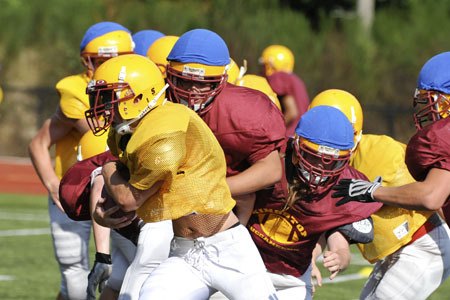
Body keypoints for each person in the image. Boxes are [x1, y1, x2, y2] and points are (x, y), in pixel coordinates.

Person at [85, 53, 277, 299]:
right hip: (185, 252)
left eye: (110, 97)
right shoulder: (132, 131)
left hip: (227, 248)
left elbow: (128, 198)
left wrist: (108, 167)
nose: (104, 106)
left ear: (139, 95)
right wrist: (104, 214)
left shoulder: (165, 129)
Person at [28, 21, 134, 300]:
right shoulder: (77, 89)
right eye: (99, 62)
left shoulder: (140, 86)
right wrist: (52, 184)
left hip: (117, 189)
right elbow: (41, 142)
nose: (104, 69)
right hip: (76, 189)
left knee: (127, 271)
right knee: (74, 277)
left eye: (114, 61)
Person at [317, 87, 450, 299]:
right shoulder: (320, 170)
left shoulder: (382, 151)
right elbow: (325, 222)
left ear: (355, 133)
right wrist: (328, 256)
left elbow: (429, 194)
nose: (330, 144)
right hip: (395, 250)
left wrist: (374, 191)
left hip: (423, 240)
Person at [247, 105, 382, 299]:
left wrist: (341, 257)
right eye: (313, 156)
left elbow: (338, 234)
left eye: (330, 161)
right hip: (245, 263)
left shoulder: (344, 186)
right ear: (297, 145)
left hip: (292, 278)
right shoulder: (274, 160)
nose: (320, 168)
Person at [166, 28, 287, 226]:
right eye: (184, 81)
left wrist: (212, 188)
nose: (192, 90)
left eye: (203, 82)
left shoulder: (242, 111)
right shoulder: (156, 100)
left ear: (221, 80)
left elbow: (271, 170)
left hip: (225, 204)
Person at [259, 44, 310, 138]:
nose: (262, 70)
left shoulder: (279, 78)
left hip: (287, 136)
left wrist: (271, 129)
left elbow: (292, 112)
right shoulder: (295, 79)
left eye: (265, 65)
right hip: (299, 135)